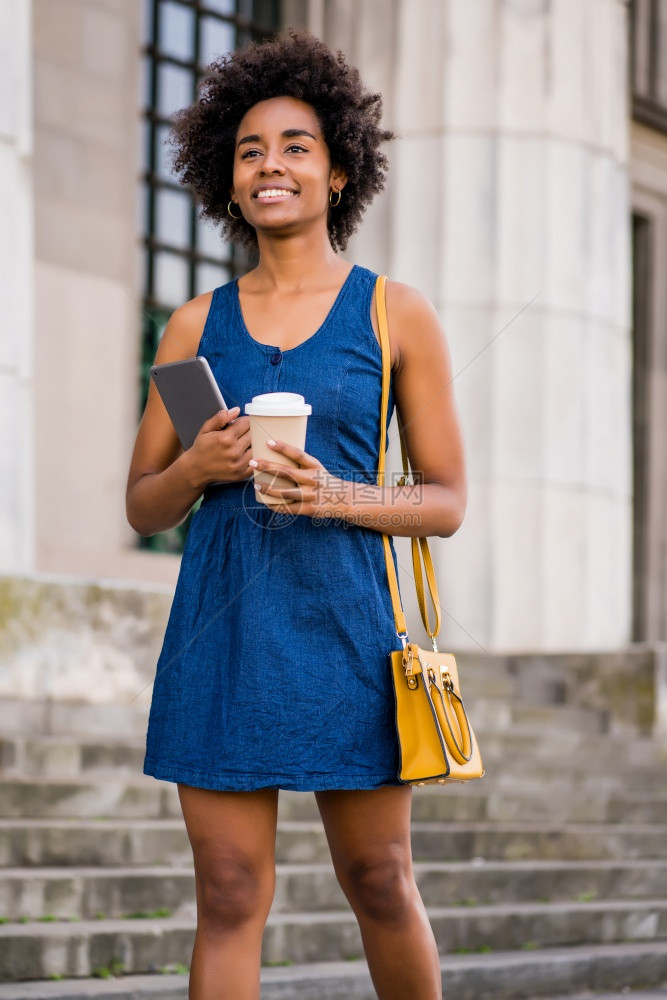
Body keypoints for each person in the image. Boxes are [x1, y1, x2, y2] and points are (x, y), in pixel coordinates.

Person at [125, 28, 466, 1000]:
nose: (269, 163)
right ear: (226, 182)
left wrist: (340, 493)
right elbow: (144, 499)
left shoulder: (394, 313)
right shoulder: (195, 325)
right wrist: (196, 463)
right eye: (248, 151)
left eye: (295, 146)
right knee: (228, 891)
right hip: (220, 638)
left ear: (338, 171)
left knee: (379, 880)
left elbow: (444, 501)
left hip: (350, 635)